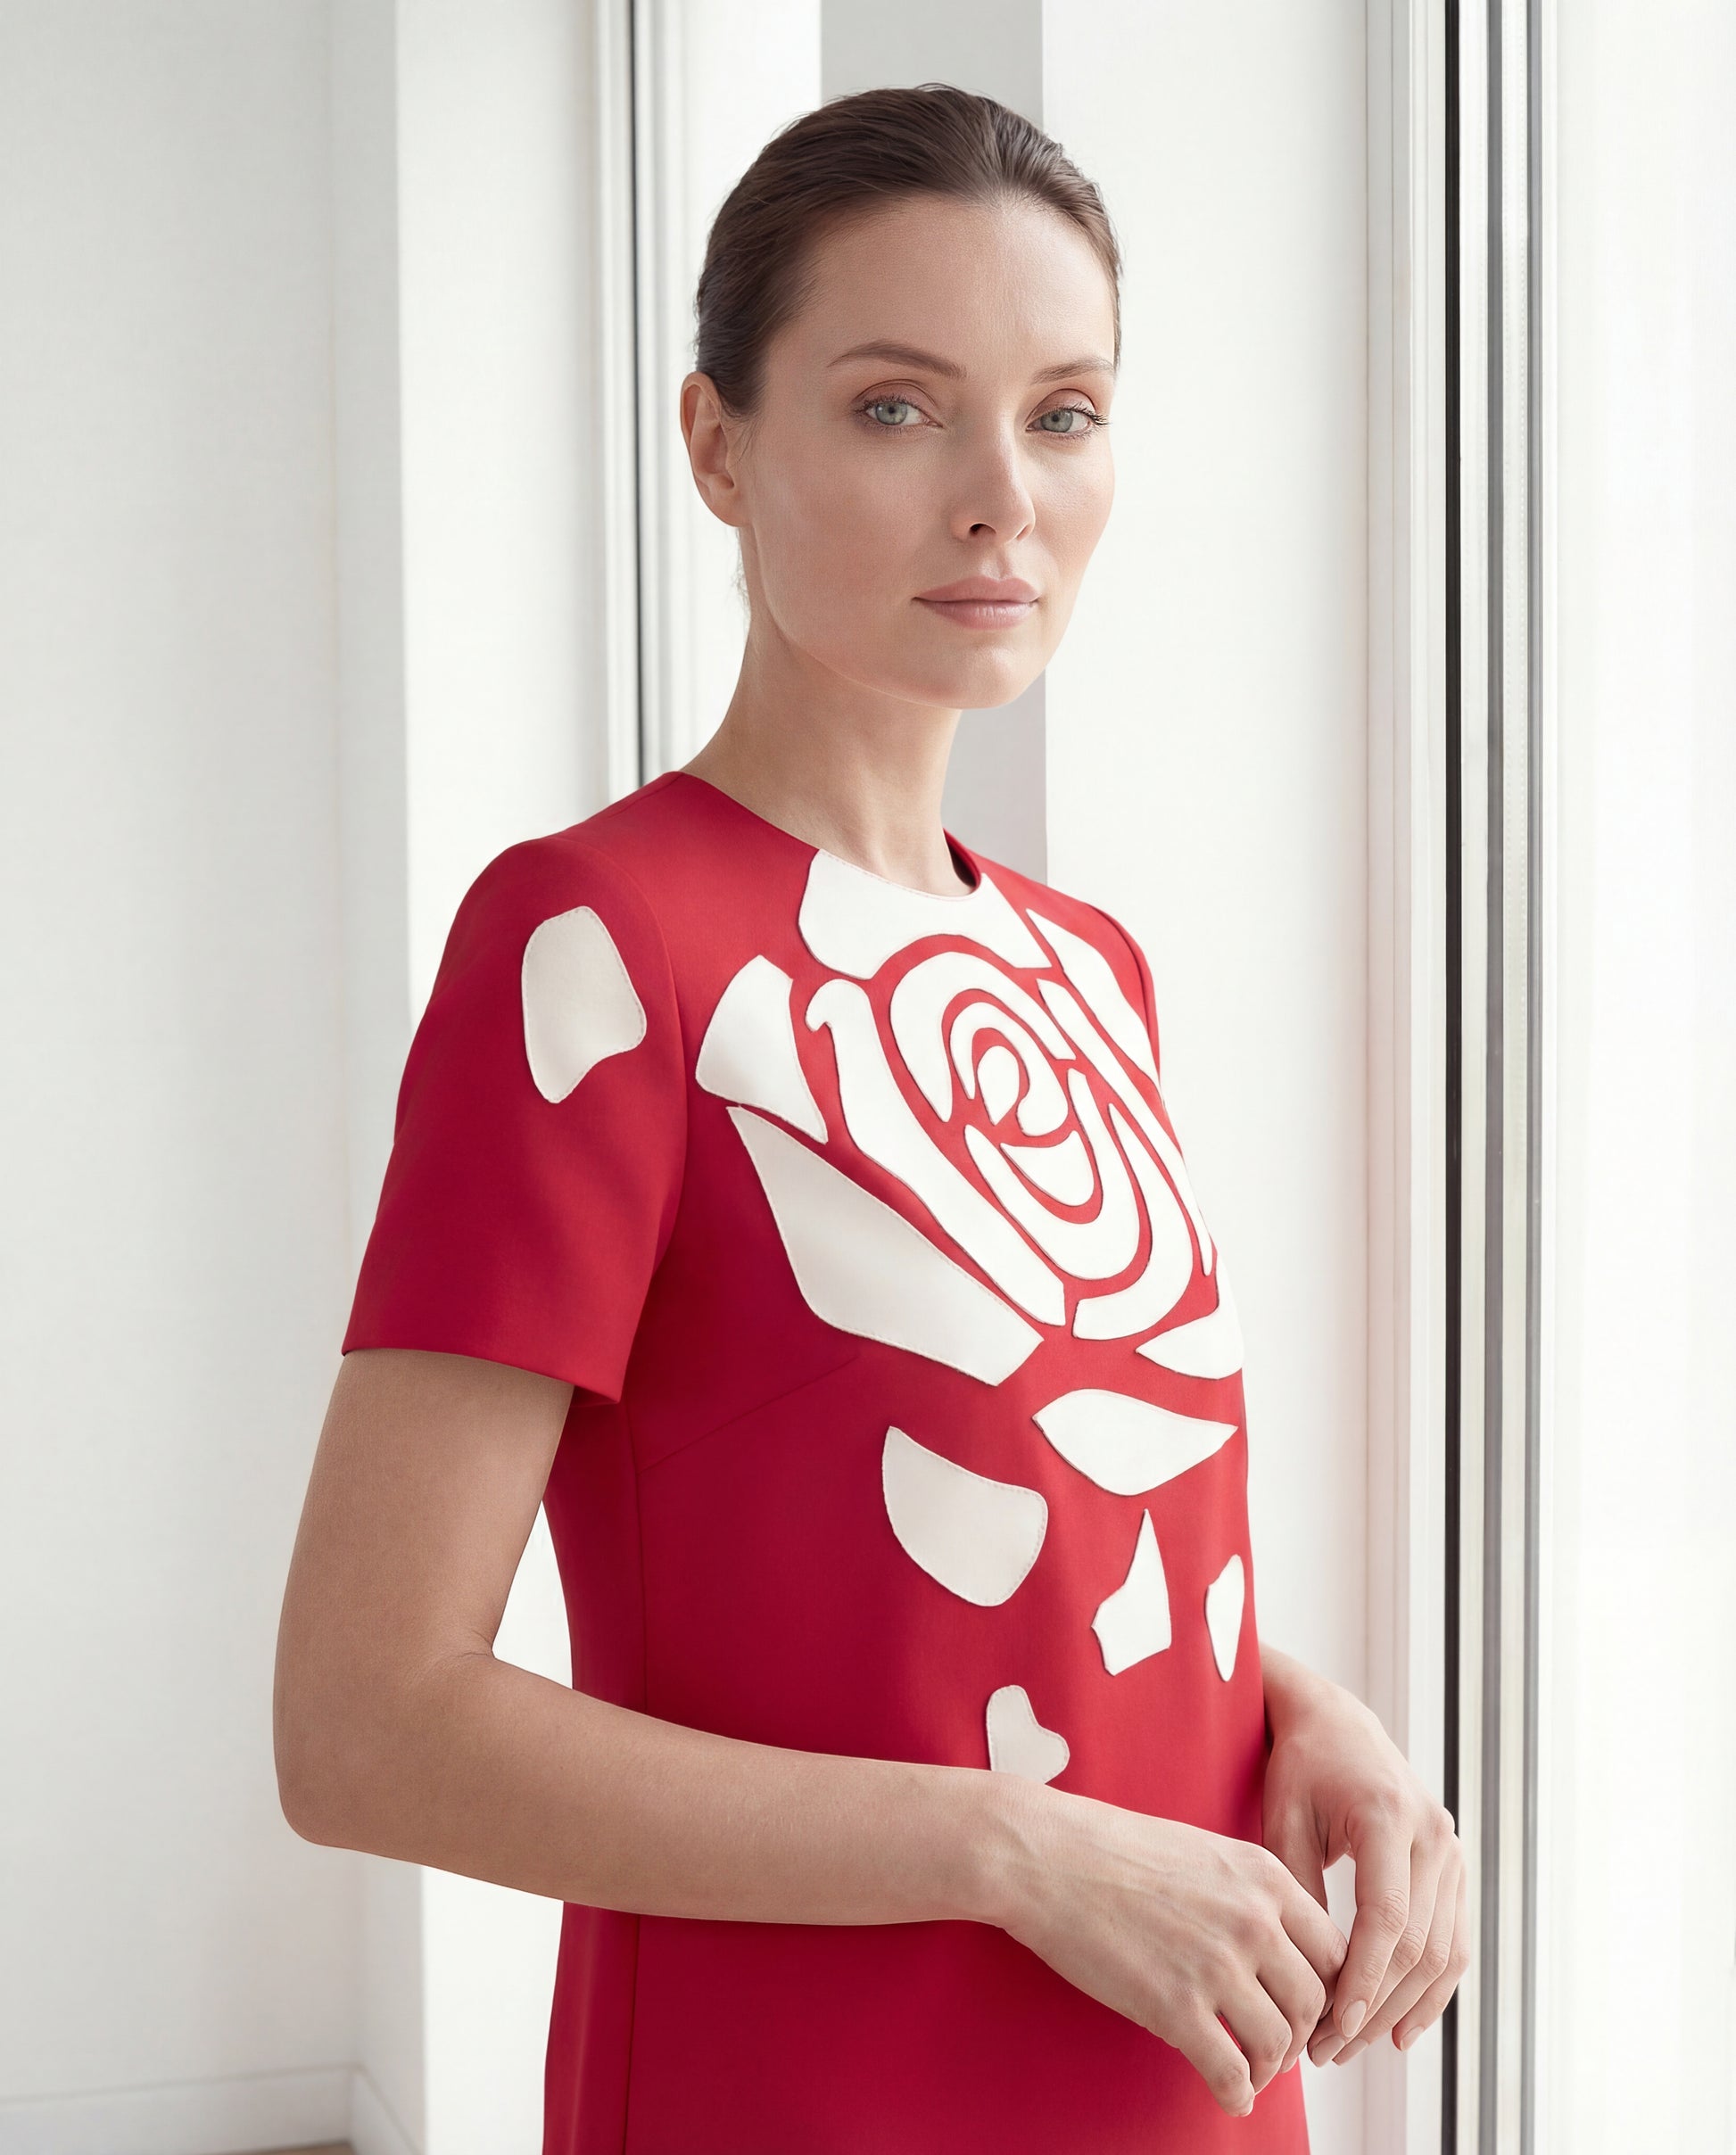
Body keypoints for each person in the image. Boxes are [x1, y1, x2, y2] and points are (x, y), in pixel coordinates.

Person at [274, 81, 1468, 2154]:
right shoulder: (594, 945)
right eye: (899, 407)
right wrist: (1015, 1848)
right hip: (811, 2093)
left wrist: (1308, 1713)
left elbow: (1004, 1552)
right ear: (718, 444)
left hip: (1193, 2075)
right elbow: (366, 1723)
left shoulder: (1088, 965)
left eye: (1063, 412)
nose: (1001, 498)